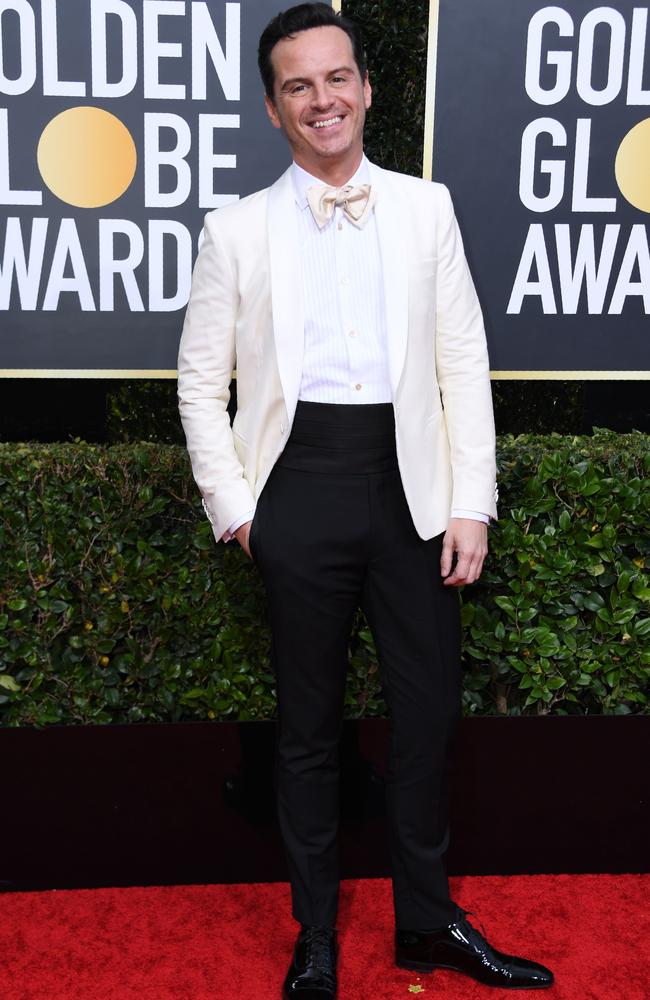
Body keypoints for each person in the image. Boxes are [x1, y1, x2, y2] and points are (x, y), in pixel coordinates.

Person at [177, 4, 554, 997]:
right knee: (306, 731)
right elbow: (197, 385)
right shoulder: (236, 229)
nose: (321, 99)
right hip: (295, 488)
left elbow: (462, 364)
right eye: (297, 85)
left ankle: (426, 923)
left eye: (334, 78)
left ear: (365, 87)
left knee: (425, 719)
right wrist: (241, 512)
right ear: (273, 107)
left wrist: (469, 501)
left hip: (412, 491)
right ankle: (315, 936)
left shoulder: (425, 208)